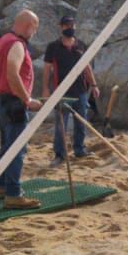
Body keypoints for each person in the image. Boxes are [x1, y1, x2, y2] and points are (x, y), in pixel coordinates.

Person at [0, 10, 43, 209]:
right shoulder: (17, 44)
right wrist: (27, 100)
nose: (34, 33)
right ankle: (13, 194)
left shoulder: (2, 41)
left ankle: (0, 185)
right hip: (12, 102)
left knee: (7, 146)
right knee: (17, 149)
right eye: (35, 28)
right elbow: (12, 72)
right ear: (29, 26)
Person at [43, 15, 100, 164]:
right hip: (61, 92)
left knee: (81, 122)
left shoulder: (81, 45)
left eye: (72, 25)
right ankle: (60, 154)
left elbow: (87, 67)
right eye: (67, 25)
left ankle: (79, 150)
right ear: (61, 27)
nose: (70, 28)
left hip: (80, 90)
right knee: (61, 124)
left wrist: (94, 85)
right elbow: (47, 68)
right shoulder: (53, 46)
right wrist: (45, 88)